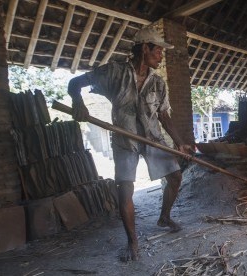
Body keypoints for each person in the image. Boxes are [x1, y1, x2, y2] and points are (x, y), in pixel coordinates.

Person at [67, 25, 193, 262]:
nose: (161, 56)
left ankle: (164, 217)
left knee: (175, 177)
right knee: (125, 190)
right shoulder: (114, 72)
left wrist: (180, 143)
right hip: (125, 140)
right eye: (158, 51)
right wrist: (79, 104)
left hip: (152, 138)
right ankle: (132, 242)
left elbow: (164, 116)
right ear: (145, 48)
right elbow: (74, 84)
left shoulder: (158, 84)